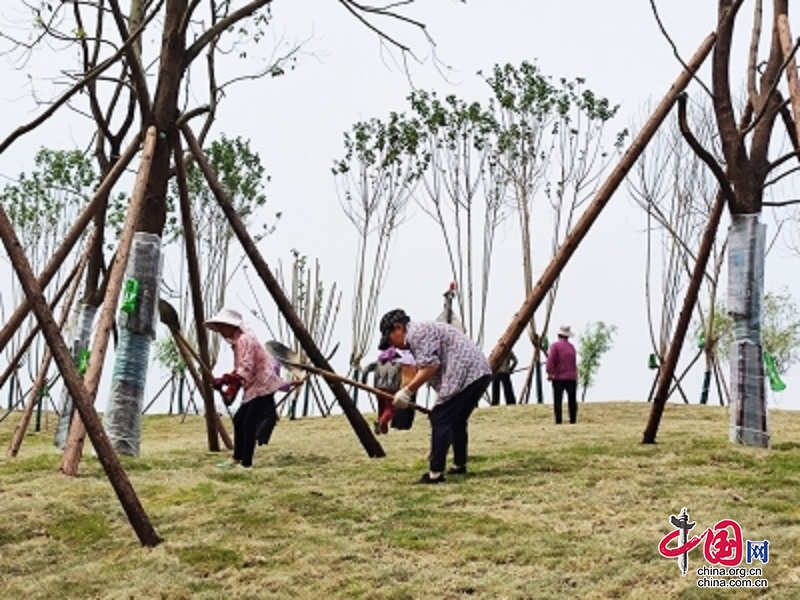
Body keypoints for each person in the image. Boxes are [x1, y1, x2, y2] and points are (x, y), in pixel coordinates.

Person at [378, 308, 491, 484]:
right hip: (479, 372)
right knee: (456, 419)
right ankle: (459, 464)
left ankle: (435, 473)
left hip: (466, 372)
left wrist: (408, 391)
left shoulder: (416, 333)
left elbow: (430, 367)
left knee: (440, 417)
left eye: (390, 339)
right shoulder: (421, 332)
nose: (392, 346)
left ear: (398, 327)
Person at [204, 308, 298, 468]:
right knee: (241, 419)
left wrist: (225, 380)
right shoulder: (237, 343)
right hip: (254, 387)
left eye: (222, 326)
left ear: (232, 326)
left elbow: (245, 368)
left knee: (248, 423)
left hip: (263, 385)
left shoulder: (245, 339)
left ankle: (245, 462)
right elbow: (240, 372)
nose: (220, 330)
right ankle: (238, 457)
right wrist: (230, 392)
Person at [372, 346, 418, 434]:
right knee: (390, 408)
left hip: (378, 387)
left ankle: (383, 428)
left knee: (381, 407)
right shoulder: (402, 362)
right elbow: (403, 378)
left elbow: (368, 369)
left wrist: (366, 382)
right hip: (391, 388)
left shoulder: (380, 360)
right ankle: (381, 423)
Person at [546, 325, 578, 424]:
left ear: (558, 335)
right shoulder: (572, 347)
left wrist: (550, 373)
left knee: (558, 400)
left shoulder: (555, 346)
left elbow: (550, 361)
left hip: (559, 377)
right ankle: (573, 420)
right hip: (571, 377)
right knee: (572, 400)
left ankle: (558, 420)